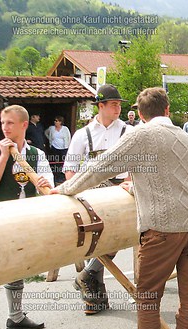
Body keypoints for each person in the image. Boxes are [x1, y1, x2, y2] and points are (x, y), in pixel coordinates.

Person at [52, 87, 188, 329]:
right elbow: (174, 177)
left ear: (139, 114)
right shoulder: (186, 137)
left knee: (148, 297)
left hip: (164, 227)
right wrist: (137, 184)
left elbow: (100, 167)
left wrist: (63, 190)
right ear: (167, 109)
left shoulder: (140, 134)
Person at [63, 84, 135, 315]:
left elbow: (137, 162)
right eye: (113, 104)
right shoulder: (82, 134)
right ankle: (94, 296)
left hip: (120, 189)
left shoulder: (128, 131)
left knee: (117, 236)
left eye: (119, 104)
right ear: (100, 106)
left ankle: (88, 275)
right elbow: (71, 168)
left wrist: (131, 181)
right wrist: (76, 194)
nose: (118, 108)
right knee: (99, 237)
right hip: (93, 192)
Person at [0, 105, 52, 329]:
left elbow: (48, 187)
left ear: (23, 125)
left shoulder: (36, 154)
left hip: (25, 218)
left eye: (10, 123)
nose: (4, 127)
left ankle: (16, 317)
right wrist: (3, 157)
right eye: (2, 122)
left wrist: (43, 183)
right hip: (1, 217)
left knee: (17, 267)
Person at [44, 115, 71, 185]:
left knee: (63, 163)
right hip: (54, 148)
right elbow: (46, 133)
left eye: (57, 121)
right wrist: (50, 139)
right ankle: (56, 176)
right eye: (55, 121)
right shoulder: (51, 128)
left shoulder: (65, 129)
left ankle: (63, 177)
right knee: (55, 163)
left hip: (63, 148)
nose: (55, 122)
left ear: (60, 122)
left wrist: (68, 146)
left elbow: (69, 137)